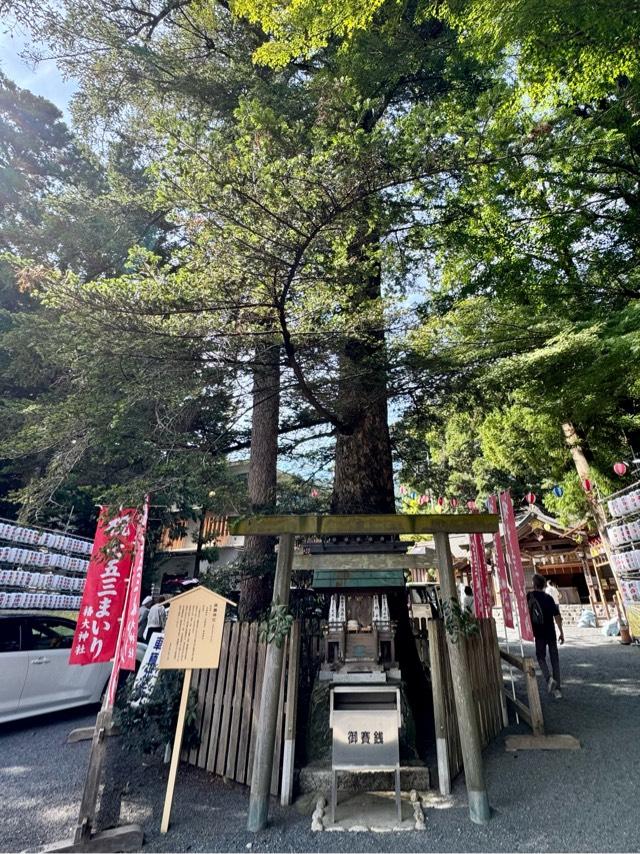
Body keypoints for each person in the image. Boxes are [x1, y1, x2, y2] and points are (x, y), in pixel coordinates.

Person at [528, 573, 565, 698]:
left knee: (540, 656)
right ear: (544, 585)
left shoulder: (530, 596)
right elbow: (557, 616)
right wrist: (561, 632)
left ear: (534, 584)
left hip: (539, 632)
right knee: (555, 659)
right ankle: (557, 690)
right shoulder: (548, 598)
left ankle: (549, 679)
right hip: (551, 631)